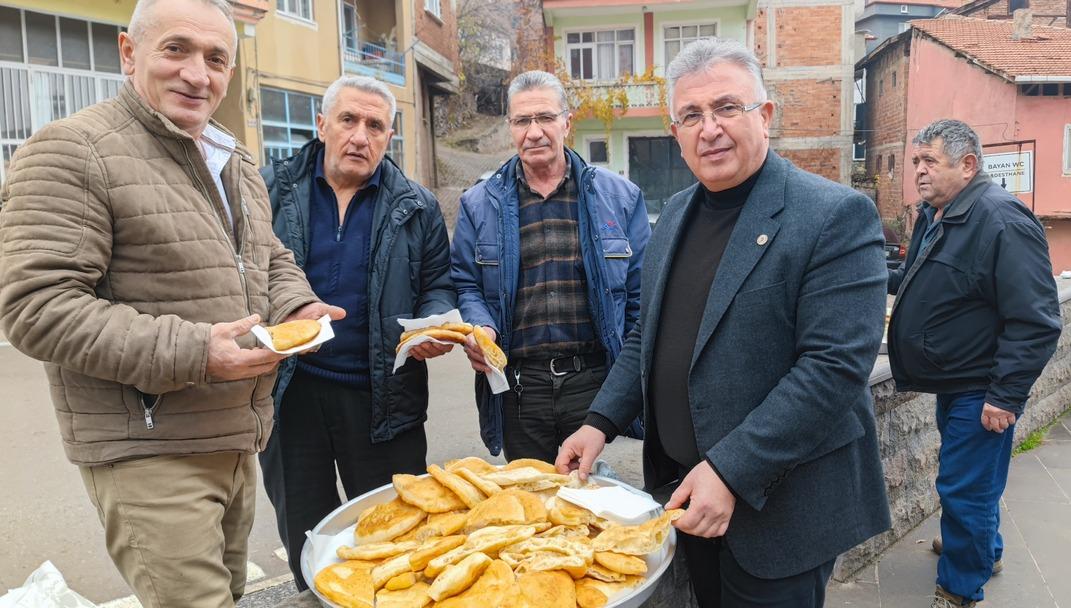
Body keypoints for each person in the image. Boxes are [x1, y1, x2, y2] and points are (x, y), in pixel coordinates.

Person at [0, 0, 342, 606]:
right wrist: (195, 352)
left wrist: (297, 306)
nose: (197, 73)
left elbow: (267, 255)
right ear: (129, 55)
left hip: (235, 437)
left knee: (228, 595)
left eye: (216, 58)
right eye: (176, 49)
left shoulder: (229, 158)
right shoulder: (74, 150)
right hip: (150, 448)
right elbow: (36, 307)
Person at [556, 38, 891, 607]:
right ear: (676, 133)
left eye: (726, 108)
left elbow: (833, 370)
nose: (709, 128)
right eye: (691, 115)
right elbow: (648, 336)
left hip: (779, 512)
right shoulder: (674, 215)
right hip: (681, 495)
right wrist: (599, 422)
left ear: (764, 115)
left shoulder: (834, 216)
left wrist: (731, 470)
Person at [259, 75, 457, 590]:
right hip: (290, 393)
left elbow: (438, 284)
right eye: (348, 120)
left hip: (384, 398)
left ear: (389, 136)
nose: (359, 136)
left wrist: (434, 322)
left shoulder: (417, 205)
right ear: (322, 124)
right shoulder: (267, 190)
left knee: (395, 542)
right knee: (308, 536)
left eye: (375, 126)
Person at [887, 119, 1061, 608]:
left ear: (968, 165)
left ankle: (959, 588)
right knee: (973, 479)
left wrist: (1005, 395)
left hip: (982, 386)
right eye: (915, 161)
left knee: (965, 486)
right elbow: (918, 276)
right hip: (954, 377)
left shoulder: (1001, 219)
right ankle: (984, 549)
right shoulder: (936, 212)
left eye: (930, 162)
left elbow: (1037, 319)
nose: (918, 172)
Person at [450, 70, 651, 462]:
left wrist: (627, 380)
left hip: (594, 380)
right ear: (510, 127)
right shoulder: (478, 204)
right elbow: (465, 283)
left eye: (544, 117)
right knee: (532, 506)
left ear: (566, 122)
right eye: (522, 121)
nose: (534, 131)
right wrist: (480, 325)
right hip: (520, 387)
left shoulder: (620, 198)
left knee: (596, 504)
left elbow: (641, 295)